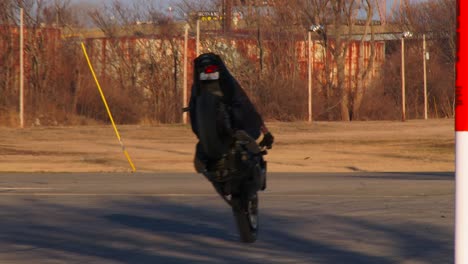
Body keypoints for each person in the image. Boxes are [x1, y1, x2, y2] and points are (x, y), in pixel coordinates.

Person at [187, 53, 274, 182]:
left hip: (222, 137)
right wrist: (265, 132)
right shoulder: (208, 90)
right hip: (229, 136)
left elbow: (244, 105)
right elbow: (245, 105)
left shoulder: (204, 90)